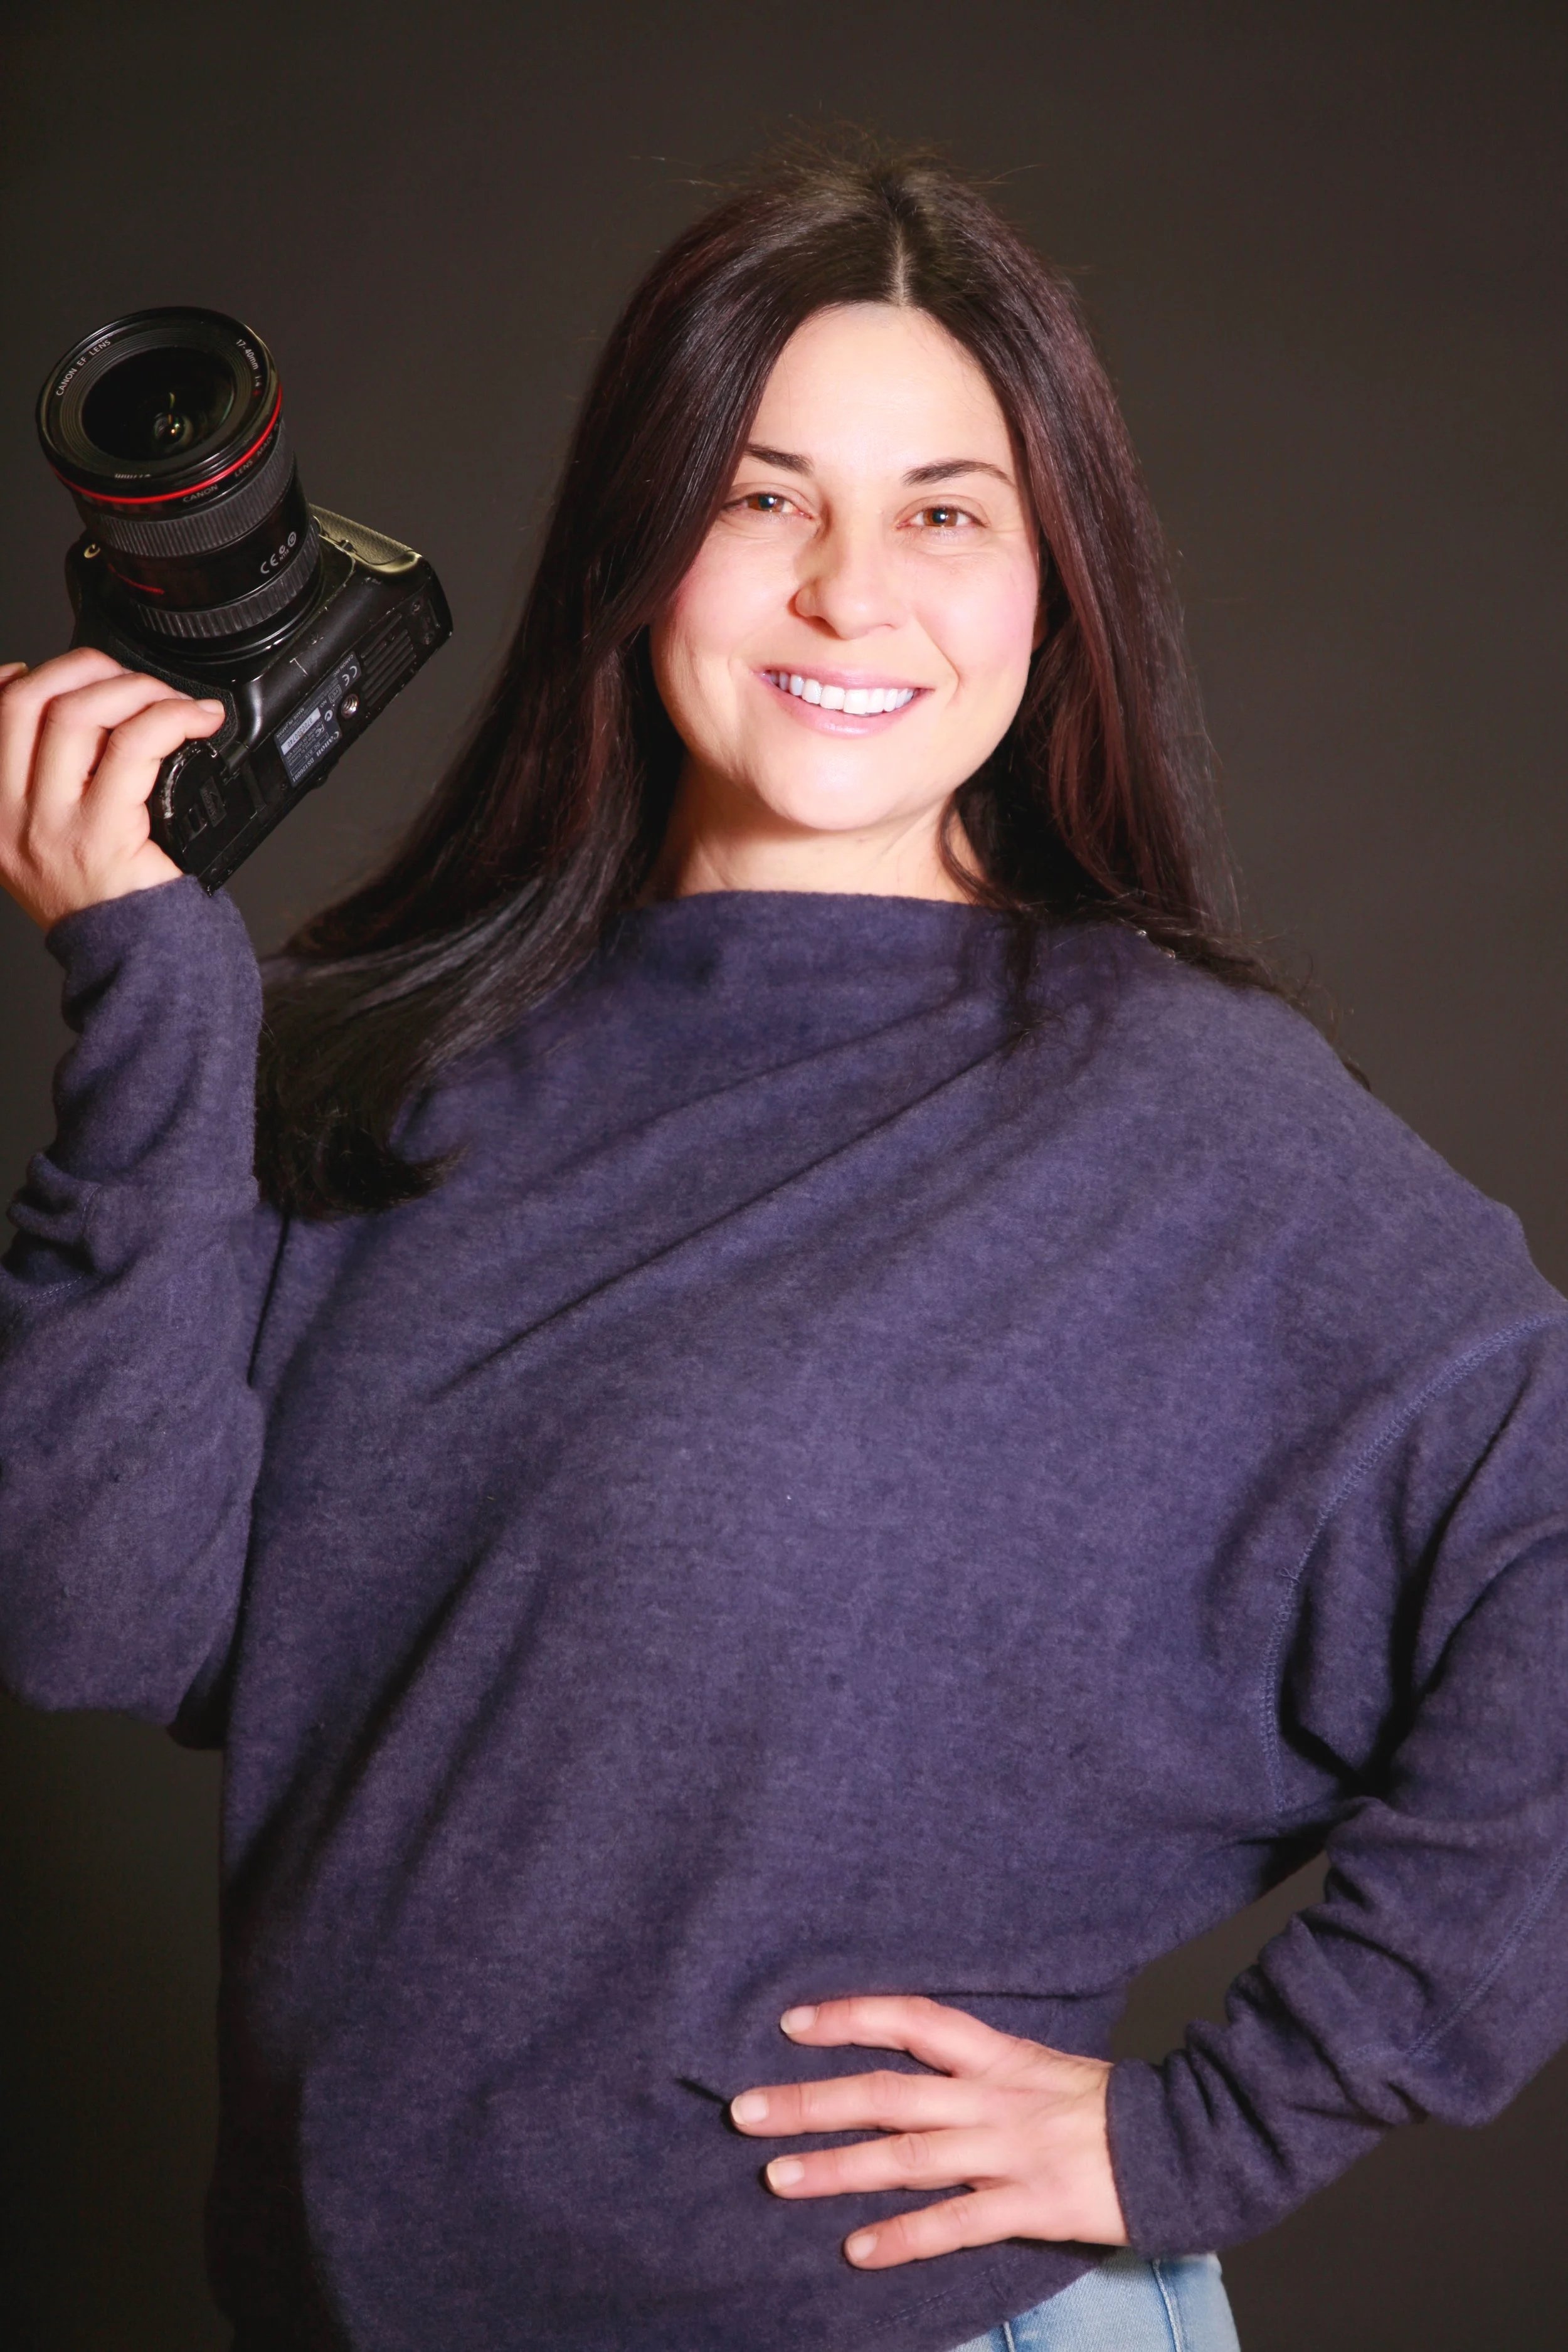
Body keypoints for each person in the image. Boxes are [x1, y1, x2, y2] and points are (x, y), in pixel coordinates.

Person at [1, 144, 1566, 2352]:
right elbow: (100, 1622)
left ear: (1055, 580)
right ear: (637, 551)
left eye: (945, 511)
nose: (851, 591)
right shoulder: (414, 1053)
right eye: (760, 499)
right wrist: (151, 986)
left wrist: (1192, 2136)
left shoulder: (1169, 1111)